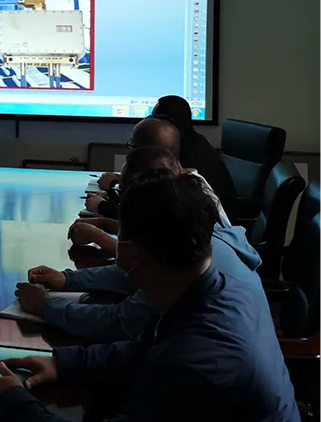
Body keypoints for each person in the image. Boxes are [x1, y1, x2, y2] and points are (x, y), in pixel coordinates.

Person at [0, 171, 313, 422]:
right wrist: (65, 364)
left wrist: (10, 405)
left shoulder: (195, 368)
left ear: (129, 255)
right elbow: (146, 349)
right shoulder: (219, 288)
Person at [16, 146, 259, 342]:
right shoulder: (198, 231)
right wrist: (68, 279)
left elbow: (120, 323)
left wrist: (46, 306)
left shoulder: (184, 272)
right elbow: (131, 275)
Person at [153, 94, 237, 221]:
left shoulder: (189, 160)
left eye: (155, 119)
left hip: (210, 227)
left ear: (170, 124)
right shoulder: (196, 142)